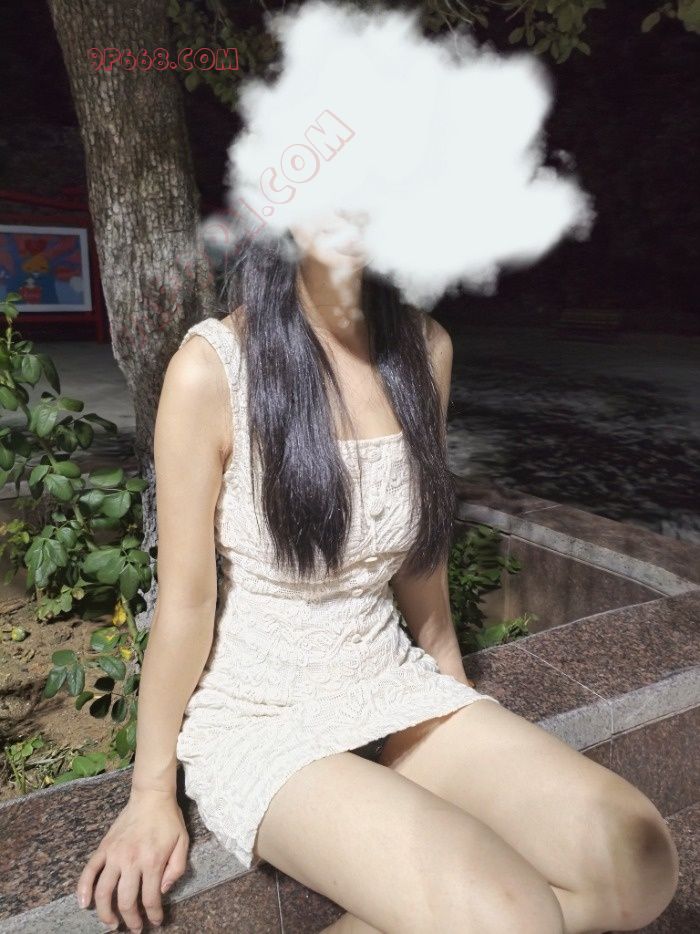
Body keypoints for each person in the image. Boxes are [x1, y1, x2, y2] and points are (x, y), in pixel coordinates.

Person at [76, 210, 678, 934]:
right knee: (514, 919)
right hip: (261, 715)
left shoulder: (426, 348)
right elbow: (186, 603)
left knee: (640, 868)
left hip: (387, 679)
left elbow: (419, 557)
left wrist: (452, 689)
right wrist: (150, 792)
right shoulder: (212, 368)